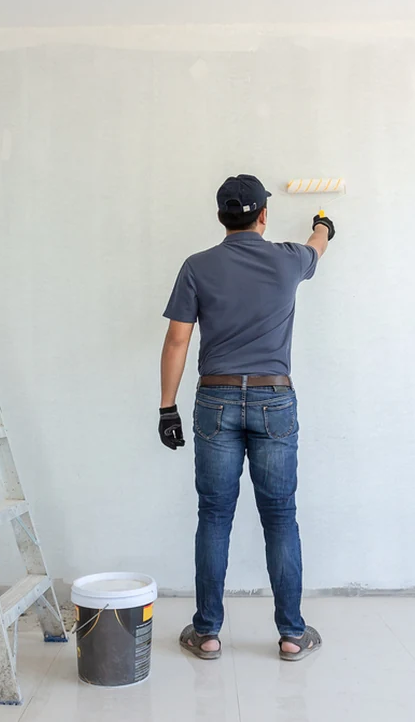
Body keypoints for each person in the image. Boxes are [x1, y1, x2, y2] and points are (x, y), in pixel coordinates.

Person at [158, 174, 334, 662]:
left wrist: (167, 406)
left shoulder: (197, 266)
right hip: (274, 401)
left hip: (214, 401)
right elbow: (318, 246)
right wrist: (322, 224)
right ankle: (292, 635)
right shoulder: (289, 258)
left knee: (214, 516)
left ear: (221, 217)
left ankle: (208, 633)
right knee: (280, 517)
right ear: (262, 216)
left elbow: (177, 340)